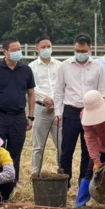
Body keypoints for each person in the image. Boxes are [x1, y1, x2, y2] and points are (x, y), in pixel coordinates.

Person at [0, 37, 35, 183]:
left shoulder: (26, 70)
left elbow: (31, 94)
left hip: (18, 116)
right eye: (14, 50)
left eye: (19, 49)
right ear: (5, 51)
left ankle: (12, 182)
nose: (18, 52)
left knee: (15, 151)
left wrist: (30, 117)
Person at [54, 34, 105, 184]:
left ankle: (84, 181)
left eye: (83, 51)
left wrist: (100, 115)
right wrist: (58, 113)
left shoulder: (97, 67)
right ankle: (65, 182)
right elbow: (59, 91)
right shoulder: (65, 66)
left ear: (90, 49)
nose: (80, 54)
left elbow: (101, 91)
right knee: (66, 151)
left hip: (90, 113)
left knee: (88, 151)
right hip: (71, 111)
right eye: (77, 50)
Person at [29, 36, 62, 175]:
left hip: (58, 109)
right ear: (37, 49)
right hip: (40, 108)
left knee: (61, 145)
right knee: (38, 146)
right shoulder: (31, 67)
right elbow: (31, 88)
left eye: (48, 46)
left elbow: (62, 85)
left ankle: (62, 173)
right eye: (43, 47)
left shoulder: (60, 65)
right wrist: (46, 100)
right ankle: (35, 174)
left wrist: (54, 101)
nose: (46, 49)